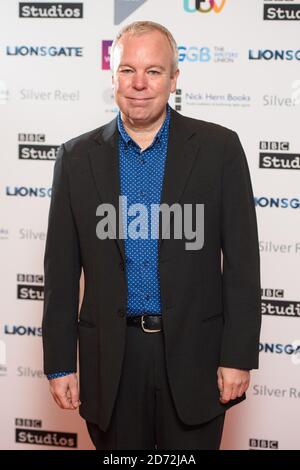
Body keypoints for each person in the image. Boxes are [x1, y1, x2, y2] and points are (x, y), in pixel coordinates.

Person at [42, 21, 261, 450]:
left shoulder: (219, 149)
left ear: (175, 78)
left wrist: (236, 356)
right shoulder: (75, 158)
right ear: (112, 76)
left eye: (154, 71)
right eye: (128, 70)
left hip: (195, 358)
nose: (139, 84)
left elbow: (241, 264)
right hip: (112, 362)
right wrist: (59, 364)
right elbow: (60, 274)